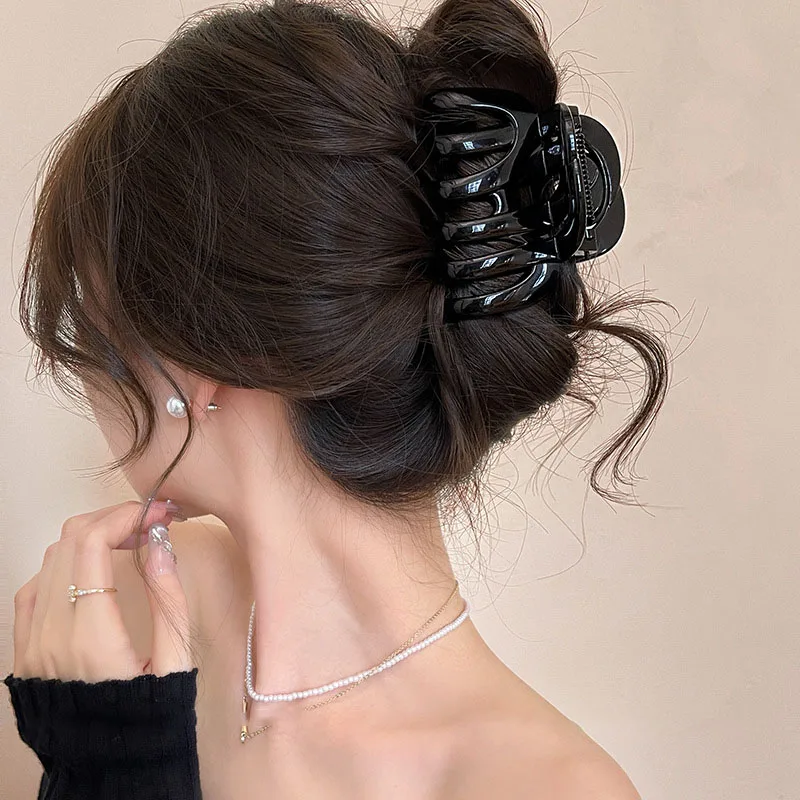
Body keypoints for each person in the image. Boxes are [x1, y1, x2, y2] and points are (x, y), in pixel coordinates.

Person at [4, 0, 672, 797]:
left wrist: (112, 763)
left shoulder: (539, 786)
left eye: (93, 322)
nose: (84, 378)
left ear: (200, 359)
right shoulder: (125, 616)